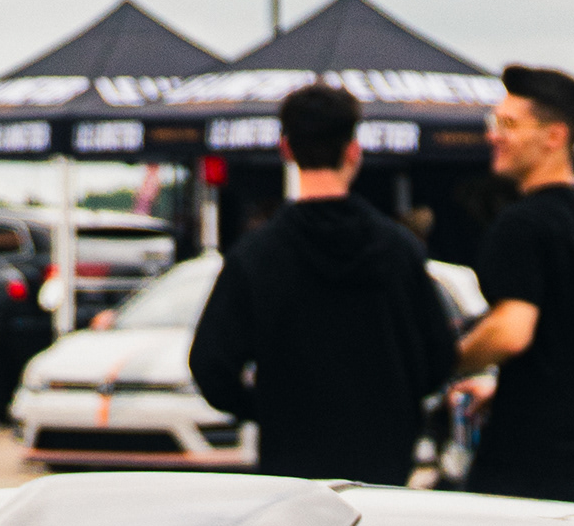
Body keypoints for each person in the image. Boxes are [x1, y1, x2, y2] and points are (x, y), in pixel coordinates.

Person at [190, 83, 462, 484]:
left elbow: (210, 365)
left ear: (286, 149)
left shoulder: (257, 254)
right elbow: (439, 356)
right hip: (384, 459)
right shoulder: (399, 248)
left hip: (292, 462)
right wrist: (396, 402)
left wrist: (269, 408)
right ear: (353, 150)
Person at [457, 66, 574, 506]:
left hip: (530, 478)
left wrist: (442, 361)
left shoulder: (522, 224)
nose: (494, 136)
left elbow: (511, 331)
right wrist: (511, 389)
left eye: (509, 124)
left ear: (554, 136)